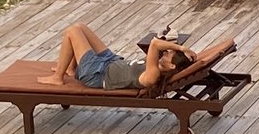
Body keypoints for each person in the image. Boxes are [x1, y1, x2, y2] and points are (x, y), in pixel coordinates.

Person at [49, 24, 200, 93]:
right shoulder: (158, 66)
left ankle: (57, 77)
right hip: (111, 61)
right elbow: (157, 45)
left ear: (172, 66)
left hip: (97, 74)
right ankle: (70, 69)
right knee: (81, 27)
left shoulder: (152, 75)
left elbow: (154, 44)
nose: (166, 52)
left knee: (72, 31)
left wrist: (181, 48)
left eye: (168, 54)